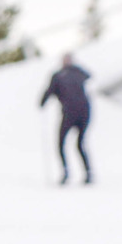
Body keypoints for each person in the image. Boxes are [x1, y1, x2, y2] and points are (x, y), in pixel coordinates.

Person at [39, 51, 93, 184]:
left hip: (77, 112)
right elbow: (49, 91)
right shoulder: (63, 75)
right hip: (79, 112)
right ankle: (72, 172)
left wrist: (43, 102)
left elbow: (89, 76)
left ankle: (79, 173)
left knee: (74, 143)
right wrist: (43, 101)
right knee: (72, 143)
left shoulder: (65, 74)